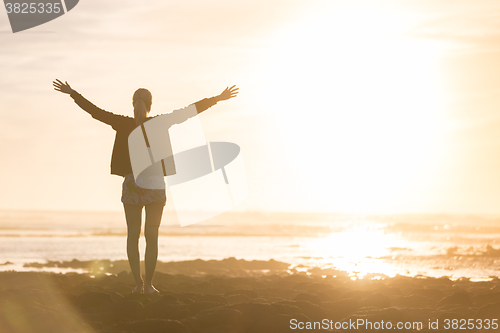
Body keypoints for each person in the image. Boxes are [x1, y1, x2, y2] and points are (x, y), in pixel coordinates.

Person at [53, 79, 238, 294]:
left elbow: (95, 111)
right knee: (152, 236)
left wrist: (72, 93)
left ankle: (137, 284)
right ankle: (149, 285)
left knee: (133, 236)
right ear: (150, 104)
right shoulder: (160, 122)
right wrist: (217, 98)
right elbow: (189, 111)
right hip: (155, 185)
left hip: (132, 184)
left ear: (133, 103)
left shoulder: (122, 123)